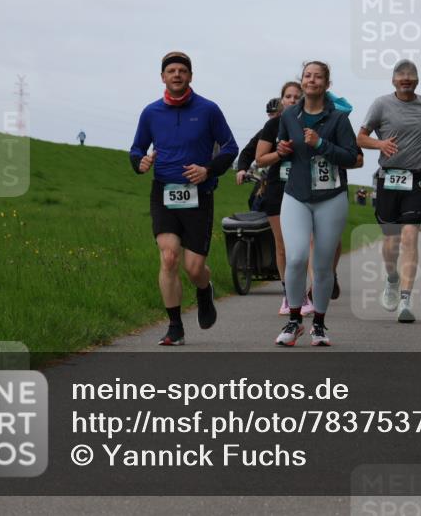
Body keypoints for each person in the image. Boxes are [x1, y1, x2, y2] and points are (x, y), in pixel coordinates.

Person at [129, 51, 238, 346]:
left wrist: (208, 170)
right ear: (163, 77)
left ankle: (204, 290)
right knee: (169, 256)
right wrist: (139, 162)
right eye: (171, 71)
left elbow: (230, 148)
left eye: (182, 71)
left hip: (199, 195)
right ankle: (175, 326)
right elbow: (137, 148)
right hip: (164, 191)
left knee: (193, 268)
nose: (177, 75)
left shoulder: (208, 110)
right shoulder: (151, 113)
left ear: (190, 76)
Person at [273, 61, 358, 346]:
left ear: (326, 84)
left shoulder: (338, 119)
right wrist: (282, 150)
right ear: (302, 80)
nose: (311, 80)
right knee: (296, 257)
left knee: (322, 266)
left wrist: (321, 144)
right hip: (296, 195)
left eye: (317, 77)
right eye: (307, 75)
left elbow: (352, 157)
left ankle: (319, 325)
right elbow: (283, 148)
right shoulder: (289, 116)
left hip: (331, 198)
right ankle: (295, 320)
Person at [358, 59, 421, 323]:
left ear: (417, 80)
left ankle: (406, 300)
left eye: (411, 75)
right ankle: (392, 278)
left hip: (417, 179)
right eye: (401, 75)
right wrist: (380, 144)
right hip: (389, 179)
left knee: (410, 236)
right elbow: (360, 137)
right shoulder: (381, 104)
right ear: (393, 80)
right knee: (391, 241)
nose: (406, 79)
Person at [255, 81, 316, 316]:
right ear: (282, 100)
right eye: (288, 96)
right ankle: (288, 295)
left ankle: (309, 294)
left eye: (296, 96)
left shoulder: (311, 123)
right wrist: (278, 153)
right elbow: (260, 159)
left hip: (305, 189)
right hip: (278, 188)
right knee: (283, 246)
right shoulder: (272, 125)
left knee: (307, 243)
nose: (292, 100)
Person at [235, 97, 281, 211]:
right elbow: (248, 151)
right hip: (269, 177)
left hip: (291, 179)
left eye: (278, 113)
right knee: (254, 200)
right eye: (271, 114)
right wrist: (242, 169)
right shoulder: (265, 132)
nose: (274, 117)